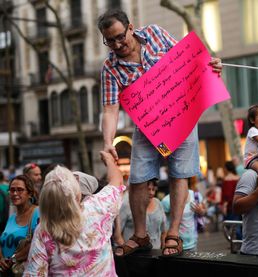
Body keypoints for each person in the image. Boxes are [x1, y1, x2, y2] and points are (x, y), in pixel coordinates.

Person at [97, 9, 222, 257]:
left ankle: (173, 233)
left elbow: (190, 60)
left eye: (120, 36)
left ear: (130, 27)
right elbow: (110, 110)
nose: (117, 44)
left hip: (182, 116)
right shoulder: (110, 67)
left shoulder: (155, 33)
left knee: (180, 173)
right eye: (110, 40)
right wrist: (107, 142)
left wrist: (211, 66)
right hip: (147, 126)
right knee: (138, 178)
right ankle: (141, 235)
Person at [24, 151, 125, 276]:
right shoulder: (97, 208)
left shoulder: (44, 230)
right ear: (77, 194)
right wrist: (109, 160)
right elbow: (117, 181)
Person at [0, 175, 40, 274]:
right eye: (12, 190)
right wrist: (1, 259)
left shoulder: (38, 213)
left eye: (20, 190)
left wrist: (13, 259)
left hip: (25, 271)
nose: (15, 193)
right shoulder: (12, 216)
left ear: (30, 194)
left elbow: (37, 243)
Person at [114, 180, 167, 251]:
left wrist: (163, 249)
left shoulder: (157, 203)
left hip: (156, 253)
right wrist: (124, 250)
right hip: (133, 254)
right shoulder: (127, 205)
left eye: (153, 189)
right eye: (148, 189)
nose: (151, 193)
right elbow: (117, 234)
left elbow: (164, 231)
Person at [161, 179, 207, 253]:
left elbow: (204, 211)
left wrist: (200, 211)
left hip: (193, 242)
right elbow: (164, 225)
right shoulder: (166, 201)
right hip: (174, 244)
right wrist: (164, 244)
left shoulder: (195, 196)